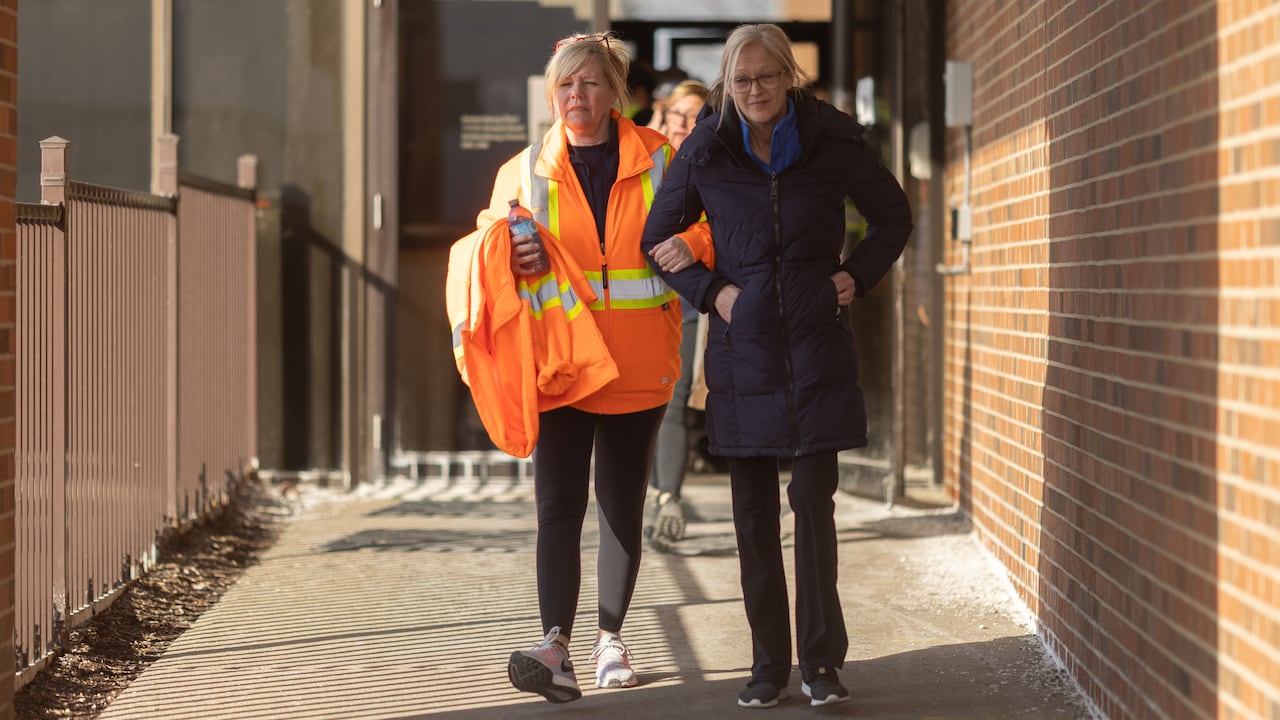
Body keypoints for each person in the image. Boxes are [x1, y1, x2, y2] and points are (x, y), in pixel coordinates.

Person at [640, 23, 913, 709]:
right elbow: (656, 239)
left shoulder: (833, 141)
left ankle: (821, 664)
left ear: (789, 75)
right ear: (728, 85)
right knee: (753, 516)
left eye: (766, 76)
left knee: (813, 509)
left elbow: (894, 217)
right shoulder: (707, 148)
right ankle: (768, 668)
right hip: (743, 356)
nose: (755, 90)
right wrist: (712, 291)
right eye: (742, 80)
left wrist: (855, 278)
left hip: (819, 347)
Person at [461, 31, 693, 704]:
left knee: (621, 506)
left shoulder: (661, 159)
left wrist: (686, 241)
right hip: (558, 366)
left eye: (590, 83)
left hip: (637, 363)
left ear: (614, 90)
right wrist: (514, 255)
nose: (577, 97)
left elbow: (708, 224)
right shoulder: (524, 169)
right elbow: (487, 245)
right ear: (550, 94)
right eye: (564, 86)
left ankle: (610, 640)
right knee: (557, 508)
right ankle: (555, 643)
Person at [646, 79, 711, 552]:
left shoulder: (715, 163)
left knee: (675, 396)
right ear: (663, 117)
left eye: (697, 117)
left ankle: (669, 495)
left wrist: (692, 243)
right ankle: (650, 491)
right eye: (679, 116)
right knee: (636, 401)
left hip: (687, 293)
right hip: (633, 298)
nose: (686, 126)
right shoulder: (640, 161)